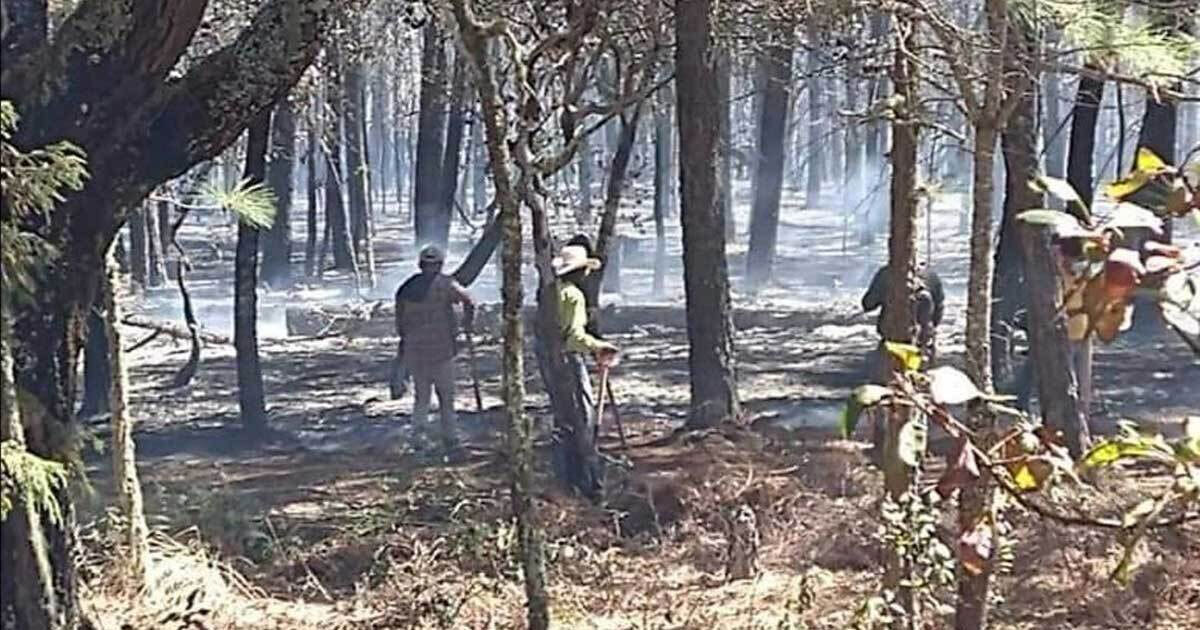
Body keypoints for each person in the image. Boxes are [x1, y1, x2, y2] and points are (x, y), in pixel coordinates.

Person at [539, 243, 619, 497]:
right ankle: (587, 481)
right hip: (568, 362)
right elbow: (573, 337)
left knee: (564, 419)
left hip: (549, 363)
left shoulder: (550, 293)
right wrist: (599, 347)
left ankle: (566, 478)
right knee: (583, 419)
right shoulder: (572, 295)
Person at [395, 245, 476, 450]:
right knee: (446, 397)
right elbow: (470, 301)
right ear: (439, 264)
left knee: (422, 397)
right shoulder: (447, 285)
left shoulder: (406, 287)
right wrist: (467, 324)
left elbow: (400, 323)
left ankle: (419, 438)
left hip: (417, 351)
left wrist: (406, 343)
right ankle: (449, 438)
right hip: (442, 351)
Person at [861, 263, 945, 363]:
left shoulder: (886, 274)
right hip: (922, 340)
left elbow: (868, 304)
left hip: (892, 338)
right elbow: (938, 310)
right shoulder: (930, 274)